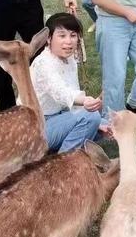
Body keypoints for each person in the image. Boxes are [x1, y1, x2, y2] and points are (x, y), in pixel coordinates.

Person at [30, 13, 104, 152]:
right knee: (91, 117)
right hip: (36, 127)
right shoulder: (43, 63)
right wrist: (85, 101)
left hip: (58, 117)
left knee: (103, 122)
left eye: (73, 35)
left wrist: (100, 123)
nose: (69, 41)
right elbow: (61, 92)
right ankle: (63, 164)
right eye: (62, 36)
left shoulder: (69, 59)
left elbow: (71, 104)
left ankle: (68, 153)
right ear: (49, 39)